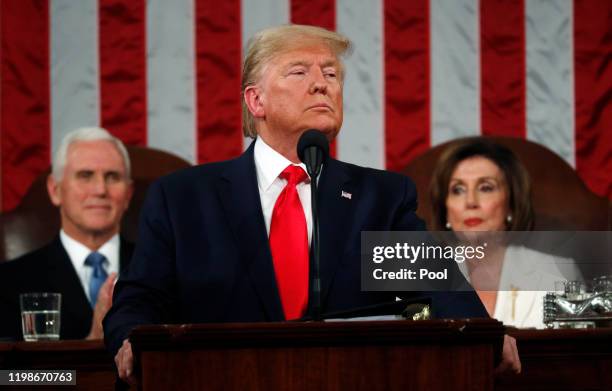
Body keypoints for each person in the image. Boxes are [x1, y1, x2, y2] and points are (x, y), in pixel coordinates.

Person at [104, 25, 520, 382]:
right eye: (299, 72)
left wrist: (484, 334)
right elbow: (140, 300)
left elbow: (440, 288)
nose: (322, 83)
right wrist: (128, 340)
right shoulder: (183, 199)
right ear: (256, 101)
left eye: (332, 74)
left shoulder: (380, 199)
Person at [429, 137, 580, 328]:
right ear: (446, 210)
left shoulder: (556, 271)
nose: (470, 202)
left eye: (486, 187)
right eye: (458, 189)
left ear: (511, 204)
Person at [0, 127, 134, 340]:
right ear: (55, 190)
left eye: (112, 176)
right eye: (85, 175)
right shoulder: (6, 284)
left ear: (128, 194)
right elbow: (9, 375)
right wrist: (90, 347)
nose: (100, 189)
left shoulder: (162, 271)